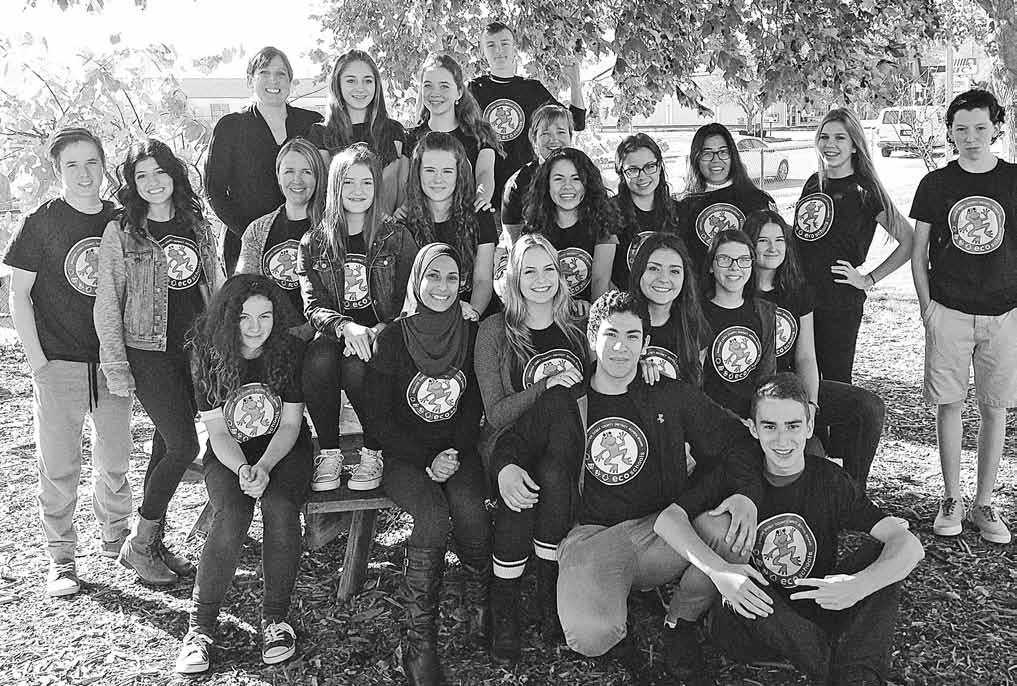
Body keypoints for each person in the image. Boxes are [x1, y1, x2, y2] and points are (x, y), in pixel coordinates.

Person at [493, 290, 767, 682]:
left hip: (664, 530)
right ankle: (615, 610)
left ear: (645, 343)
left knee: (731, 531)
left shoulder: (669, 394)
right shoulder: (564, 401)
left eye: (632, 336)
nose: (621, 347)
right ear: (592, 339)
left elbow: (735, 441)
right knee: (589, 636)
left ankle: (681, 622)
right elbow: (514, 440)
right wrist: (506, 468)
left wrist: (746, 495)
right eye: (611, 335)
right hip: (594, 538)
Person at [707, 373, 924, 686]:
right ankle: (844, 675)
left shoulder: (829, 480)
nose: (782, 440)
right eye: (770, 426)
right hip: (751, 621)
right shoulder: (736, 476)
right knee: (739, 586)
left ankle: (854, 676)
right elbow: (678, 518)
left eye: (793, 426)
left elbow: (910, 545)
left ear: (810, 427)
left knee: (885, 555)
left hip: (815, 604)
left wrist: (859, 585)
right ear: (753, 429)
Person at [3, 127, 133, 597]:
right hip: (58, 361)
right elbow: (18, 295)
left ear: (104, 166)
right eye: (72, 165)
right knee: (59, 466)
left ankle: (116, 537)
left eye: (92, 163)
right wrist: (37, 361)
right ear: (57, 170)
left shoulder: (121, 220)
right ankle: (61, 556)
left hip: (111, 362)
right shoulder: (40, 222)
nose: (84, 173)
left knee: (115, 458)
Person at [94, 138, 225, 586]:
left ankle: (153, 541)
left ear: (174, 174)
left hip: (195, 352)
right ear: (131, 183)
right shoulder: (123, 231)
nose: (152, 182)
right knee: (184, 447)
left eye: (159, 172)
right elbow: (107, 302)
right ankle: (140, 543)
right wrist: (116, 364)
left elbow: (214, 285)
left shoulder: (196, 223)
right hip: (148, 352)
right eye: (141, 175)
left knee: (164, 446)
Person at [364, 244, 490, 686]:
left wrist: (452, 453)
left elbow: (473, 404)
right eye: (432, 276)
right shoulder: (391, 339)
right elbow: (378, 419)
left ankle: (480, 602)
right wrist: (425, 459)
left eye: (452, 278)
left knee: (471, 509)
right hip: (406, 457)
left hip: (456, 451)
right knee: (433, 515)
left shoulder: (471, 334)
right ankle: (418, 642)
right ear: (416, 280)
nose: (442, 286)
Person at [174, 274, 312, 674]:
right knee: (232, 513)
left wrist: (264, 466)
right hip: (230, 452)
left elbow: (290, 424)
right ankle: (200, 629)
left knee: (280, 506)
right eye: (244, 317)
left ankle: (275, 620)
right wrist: (243, 468)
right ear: (228, 318)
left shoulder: (288, 350)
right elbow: (217, 430)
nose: (255, 327)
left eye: (265, 316)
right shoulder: (208, 353)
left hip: (283, 449)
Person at [473, 233, 587, 663]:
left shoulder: (578, 326)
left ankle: (539, 594)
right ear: (514, 279)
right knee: (528, 480)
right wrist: (545, 386)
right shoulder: (495, 330)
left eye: (549, 269)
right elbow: (496, 413)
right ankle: (509, 605)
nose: (541, 280)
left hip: (567, 453)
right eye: (529, 271)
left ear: (560, 274)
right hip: (508, 446)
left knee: (552, 472)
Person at [910, 89, 1016, 544]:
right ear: (950, 133)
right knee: (949, 405)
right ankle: (951, 498)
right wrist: (927, 308)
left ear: (996, 128)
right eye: (961, 129)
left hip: (1004, 314)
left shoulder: (1013, 179)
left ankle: (984, 502)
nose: (970, 137)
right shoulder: (935, 184)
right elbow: (918, 253)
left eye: (979, 128)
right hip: (949, 311)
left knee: (995, 408)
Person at [299, 144, 417, 492]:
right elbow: (313, 306)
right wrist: (345, 326)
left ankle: (373, 451)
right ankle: (329, 453)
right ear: (335, 187)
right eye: (348, 182)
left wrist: (383, 328)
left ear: (377, 187)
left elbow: (411, 297)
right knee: (318, 359)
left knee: (357, 365)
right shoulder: (314, 242)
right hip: (338, 332)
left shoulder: (396, 237)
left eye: (366, 182)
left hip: (384, 333)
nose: (358, 191)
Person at [746, 209, 886, 491]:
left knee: (868, 408)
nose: (772, 248)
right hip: (750, 391)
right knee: (813, 453)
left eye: (779, 240)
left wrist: (810, 405)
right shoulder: (736, 290)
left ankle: (853, 493)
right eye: (763, 241)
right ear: (749, 244)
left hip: (790, 387)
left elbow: (806, 357)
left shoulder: (797, 292)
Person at [793, 108, 913, 384]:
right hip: (801, 293)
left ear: (855, 145)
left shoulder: (865, 190)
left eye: (840, 138)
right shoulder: (814, 182)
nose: (830, 144)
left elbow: (909, 240)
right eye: (824, 137)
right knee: (800, 377)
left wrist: (868, 279)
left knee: (835, 382)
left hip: (838, 301)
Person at [205, 46, 322, 273]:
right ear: (250, 80)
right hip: (245, 243)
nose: (273, 80)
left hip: (303, 243)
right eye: (264, 73)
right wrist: (253, 235)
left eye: (281, 74)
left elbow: (323, 181)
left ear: (290, 81)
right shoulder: (230, 127)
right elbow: (214, 191)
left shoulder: (311, 123)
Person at [468, 21, 587, 213]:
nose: (499, 50)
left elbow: (577, 122)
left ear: (514, 48)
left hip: (527, 197)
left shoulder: (533, 89)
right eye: (491, 45)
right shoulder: (473, 90)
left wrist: (575, 81)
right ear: (483, 52)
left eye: (504, 43)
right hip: (484, 201)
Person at [397, 132, 497, 320]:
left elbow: (483, 280)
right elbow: (407, 290)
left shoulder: (479, 214)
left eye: (447, 171)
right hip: (424, 318)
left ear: (459, 174)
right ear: (417, 173)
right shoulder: (404, 223)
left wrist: (472, 313)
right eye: (430, 170)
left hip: (472, 315)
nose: (438, 179)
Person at [236, 137, 326, 337]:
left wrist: (305, 332)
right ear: (278, 176)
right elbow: (243, 289)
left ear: (318, 177)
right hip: (268, 335)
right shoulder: (257, 230)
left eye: (307, 172)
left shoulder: (332, 229)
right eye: (289, 171)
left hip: (320, 336)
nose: (297, 180)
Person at [306, 49, 407, 216]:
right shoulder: (320, 134)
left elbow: (401, 187)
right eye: (351, 81)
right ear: (337, 84)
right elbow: (322, 192)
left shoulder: (394, 131)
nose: (360, 88)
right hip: (339, 226)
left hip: (386, 227)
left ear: (376, 85)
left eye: (367, 81)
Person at [522, 147, 619, 315]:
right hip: (547, 310)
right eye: (558, 179)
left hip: (589, 311)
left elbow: (600, 280)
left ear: (587, 183)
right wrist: (563, 307)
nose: (567, 186)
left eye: (576, 178)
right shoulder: (534, 227)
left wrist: (593, 316)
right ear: (547, 184)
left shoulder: (602, 223)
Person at [408, 54, 503, 211]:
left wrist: (481, 198)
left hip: (466, 216)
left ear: (459, 92)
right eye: (428, 85)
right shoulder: (411, 138)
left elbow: (484, 173)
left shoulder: (479, 134)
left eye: (444, 86)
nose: (435, 92)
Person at [676, 123, 774, 274]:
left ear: (732, 155)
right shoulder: (684, 206)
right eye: (707, 153)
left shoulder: (759, 201)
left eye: (723, 152)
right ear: (696, 158)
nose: (716, 160)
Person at [700, 229, 777, 418]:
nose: (734, 267)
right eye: (725, 259)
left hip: (753, 420)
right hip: (708, 419)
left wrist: (758, 421)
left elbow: (767, 378)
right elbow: (693, 383)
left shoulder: (765, 312)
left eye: (743, 260)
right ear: (711, 266)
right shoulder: (695, 313)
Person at [627, 232, 709, 387]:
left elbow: (694, 390)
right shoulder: (618, 320)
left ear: (685, 277)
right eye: (653, 268)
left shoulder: (694, 326)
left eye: (674, 271)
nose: (664, 279)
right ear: (639, 272)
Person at [612, 133, 682, 289]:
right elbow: (603, 279)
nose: (642, 176)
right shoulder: (610, 212)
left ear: (660, 166)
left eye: (650, 167)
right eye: (633, 170)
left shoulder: (680, 211)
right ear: (622, 173)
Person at [499, 104, 575, 240]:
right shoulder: (517, 183)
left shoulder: (586, 174)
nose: (554, 139)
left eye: (561, 132)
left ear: (570, 136)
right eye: (545, 133)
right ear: (533, 138)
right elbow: (513, 241)